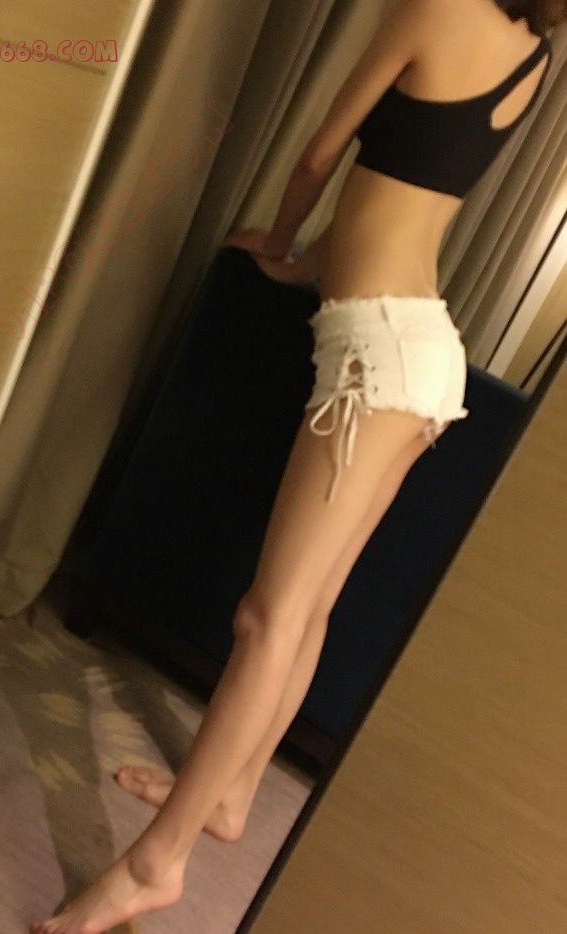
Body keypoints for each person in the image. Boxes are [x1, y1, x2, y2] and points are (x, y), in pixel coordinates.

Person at [32, 1, 560, 930]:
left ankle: (157, 864)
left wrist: (276, 244)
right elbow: (406, 187)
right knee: (308, 610)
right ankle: (232, 798)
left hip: (375, 356)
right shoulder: (535, 55)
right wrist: (301, 265)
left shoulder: (437, 6)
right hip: (423, 355)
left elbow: (321, 155)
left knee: (266, 618)